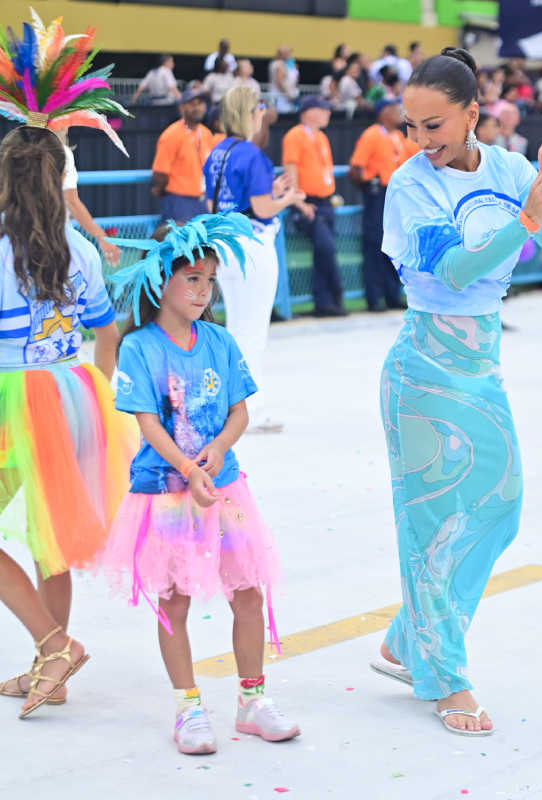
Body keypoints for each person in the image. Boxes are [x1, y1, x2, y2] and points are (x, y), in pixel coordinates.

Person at [369, 48, 542, 736]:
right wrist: (524, 221)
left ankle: (409, 635)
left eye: (435, 125)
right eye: (413, 126)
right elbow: (454, 271)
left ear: (472, 113)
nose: (423, 141)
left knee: (502, 506)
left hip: (481, 367)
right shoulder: (409, 184)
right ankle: (445, 677)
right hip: (424, 368)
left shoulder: (513, 169)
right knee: (430, 528)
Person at [99, 213, 299, 754]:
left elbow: (238, 412)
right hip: (165, 492)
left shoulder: (219, 340)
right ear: (159, 280)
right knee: (175, 602)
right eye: (191, 277)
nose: (203, 289)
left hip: (223, 489)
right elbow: (146, 423)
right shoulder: (139, 347)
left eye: (209, 279)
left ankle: (252, 700)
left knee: (248, 591)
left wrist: (220, 449)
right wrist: (188, 469)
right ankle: (188, 708)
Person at [0, 14, 137, 719]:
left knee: (33, 535)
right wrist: (102, 396)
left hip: (11, 396)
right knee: (48, 537)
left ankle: (53, 644)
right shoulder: (78, 251)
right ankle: (49, 659)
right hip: (72, 394)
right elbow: (107, 333)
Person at [204, 85, 306, 433]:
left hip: (225, 245)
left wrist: (273, 193)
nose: (263, 113)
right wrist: (288, 199)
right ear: (250, 112)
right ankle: (252, 412)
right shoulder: (252, 154)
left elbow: (215, 206)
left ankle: (230, 409)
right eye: (260, 107)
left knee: (235, 329)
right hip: (253, 245)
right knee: (252, 333)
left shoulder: (215, 153)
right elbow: (262, 210)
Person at [282, 95, 347, 317]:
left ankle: (324, 303)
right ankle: (337, 290)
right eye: (324, 109)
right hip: (308, 202)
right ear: (310, 112)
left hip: (325, 201)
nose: (329, 113)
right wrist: (300, 203)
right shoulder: (295, 136)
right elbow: (290, 172)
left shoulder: (321, 137)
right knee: (326, 249)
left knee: (323, 252)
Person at [348, 98, 413, 312]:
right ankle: (374, 298)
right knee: (375, 244)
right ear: (383, 112)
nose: (399, 113)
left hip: (396, 195)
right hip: (379, 194)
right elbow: (356, 168)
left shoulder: (397, 136)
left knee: (394, 245)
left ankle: (392, 294)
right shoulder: (372, 134)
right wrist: (369, 188)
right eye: (395, 109)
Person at [56, 129, 121, 266]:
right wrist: (100, 235)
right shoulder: (61, 152)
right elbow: (71, 201)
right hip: (53, 238)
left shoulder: (16, 147)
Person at [152, 84, 214, 223]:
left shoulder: (206, 133)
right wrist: (168, 190)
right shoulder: (171, 134)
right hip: (179, 200)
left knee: (203, 244)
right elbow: (159, 173)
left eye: (200, 103)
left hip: (203, 201)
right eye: (191, 104)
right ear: (181, 107)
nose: (197, 107)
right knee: (180, 244)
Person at [268, 46, 299, 113]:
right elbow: (280, 81)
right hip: (279, 96)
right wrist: (288, 93)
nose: (289, 55)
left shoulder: (274, 63)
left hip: (277, 94)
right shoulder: (279, 64)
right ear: (281, 54)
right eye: (287, 52)